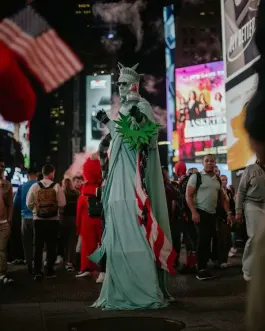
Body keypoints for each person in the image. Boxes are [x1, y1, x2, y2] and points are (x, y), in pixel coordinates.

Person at [91, 62, 175, 310]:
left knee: (136, 216)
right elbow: (120, 135)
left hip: (134, 173)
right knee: (118, 215)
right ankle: (120, 283)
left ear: (134, 84)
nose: (120, 87)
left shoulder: (142, 106)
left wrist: (139, 120)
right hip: (118, 171)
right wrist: (107, 121)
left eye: (124, 83)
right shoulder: (126, 108)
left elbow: (147, 137)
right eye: (119, 84)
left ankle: (142, 285)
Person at [186, 154, 232, 280]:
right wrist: (194, 212)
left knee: (208, 241)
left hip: (212, 214)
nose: (210, 163)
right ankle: (200, 269)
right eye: (207, 161)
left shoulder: (217, 179)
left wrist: (228, 213)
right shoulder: (196, 177)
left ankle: (204, 268)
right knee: (202, 241)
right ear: (203, 163)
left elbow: (222, 199)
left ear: (215, 163)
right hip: (200, 212)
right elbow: (188, 196)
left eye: (212, 161)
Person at [26, 164, 66, 280]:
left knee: (37, 246)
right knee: (51, 246)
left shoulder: (35, 186)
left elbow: (28, 203)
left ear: (42, 173)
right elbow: (62, 203)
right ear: (52, 173)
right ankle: (49, 271)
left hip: (38, 220)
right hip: (53, 220)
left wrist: (36, 210)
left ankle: (37, 271)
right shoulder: (56, 186)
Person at [235, 159, 265, 281]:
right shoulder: (250, 169)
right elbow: (241, 191)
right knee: (254, 237)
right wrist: (238, 210)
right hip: (251, 203)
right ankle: (247, 269)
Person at [76, 156, 103, 280]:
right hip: (101, 218)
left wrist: (77, 227)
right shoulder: (103, 186)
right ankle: (103, 270)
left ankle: (87, 268)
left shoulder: (84, 189)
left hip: (87, 218)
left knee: (88, 246)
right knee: (104, 244)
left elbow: (79, 209)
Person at [14, 168, 38, 274]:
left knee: (26, 243)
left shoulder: (22, 187)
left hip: (25, 218)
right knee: (37, 243)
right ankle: (37, 266)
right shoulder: (40, 186)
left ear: (27, 175)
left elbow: (16, 204)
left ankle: (29, 265)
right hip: (37, 218)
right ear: (37, 175)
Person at [60, 178, 79, 272]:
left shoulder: (62, 193)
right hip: (74, 218)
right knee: (72, 241)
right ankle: (70, 262)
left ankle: (64, 258)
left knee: (64, 240)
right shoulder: (76, 194)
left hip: (63, 219)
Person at [0, 162, 14, 284]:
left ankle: (2, 273)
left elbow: (10, 204)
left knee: (1, 249)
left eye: (2, 168)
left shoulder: (7, 185)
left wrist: (9, 220)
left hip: (4, 222)